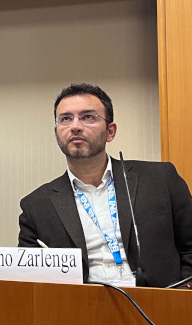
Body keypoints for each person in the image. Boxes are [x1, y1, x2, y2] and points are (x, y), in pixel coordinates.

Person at [18, 83, 192, 287]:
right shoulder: (36, 206)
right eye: (66, 119)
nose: (75, 126)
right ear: (57, 135)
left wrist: (183, 292)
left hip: (159, 304)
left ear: (110, 131)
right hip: (81, 309)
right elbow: (29, 278)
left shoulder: (160, 179)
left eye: (88, 117)